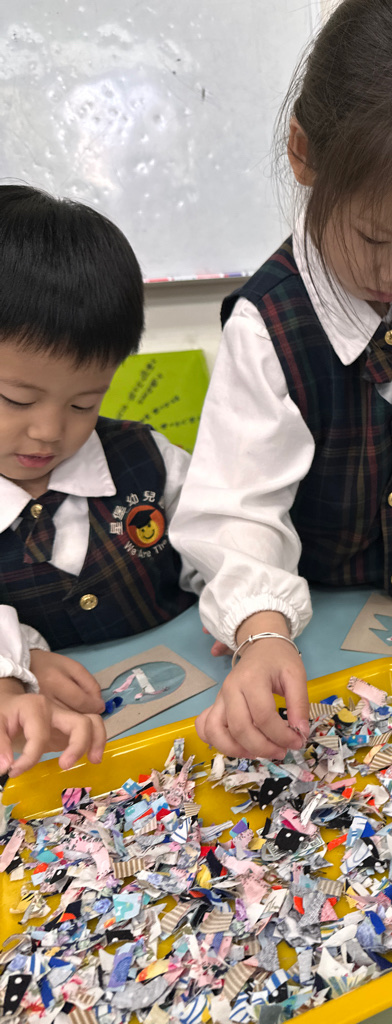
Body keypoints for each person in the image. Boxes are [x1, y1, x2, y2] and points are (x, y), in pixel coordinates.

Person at [171, 0, 392, 758]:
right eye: (373, 236)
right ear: (304, 153)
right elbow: (236, 505)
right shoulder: (268, 323)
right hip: (315, 624)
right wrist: (260, 628)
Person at [0, 185, 201, 772]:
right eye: (15, 399)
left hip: (194, 722)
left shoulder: (147, 459)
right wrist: (15, 668)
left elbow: (224, 536)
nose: (48, 432)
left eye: (84, 403)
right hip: (66, 762)